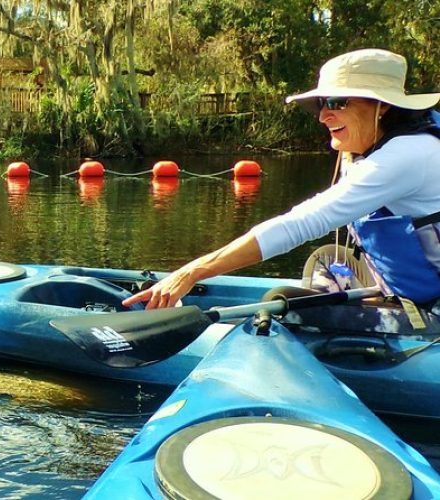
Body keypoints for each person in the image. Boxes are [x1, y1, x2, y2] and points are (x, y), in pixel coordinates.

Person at [123, 48, 440, 333]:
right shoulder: (385, 142)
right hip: (410, 288)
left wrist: (190, 273)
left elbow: (300, 223)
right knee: (327, 260)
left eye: (337, 103)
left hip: (433, 309)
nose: (323, 115)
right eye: (321, 103)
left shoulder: (406, 155)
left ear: (382, 106)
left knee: (284, 304)